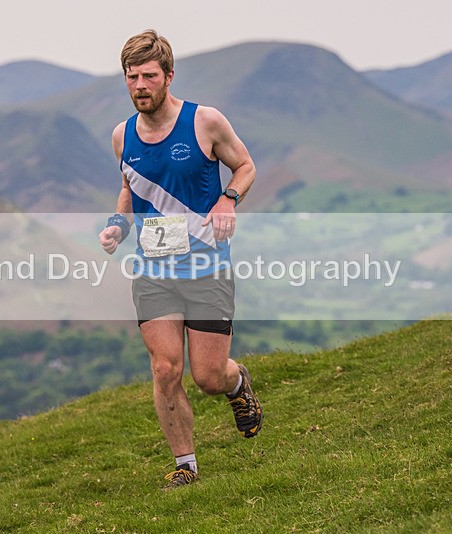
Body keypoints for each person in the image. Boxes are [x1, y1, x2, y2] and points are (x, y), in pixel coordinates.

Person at [98, 29, 262, 490]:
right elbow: (130, 188)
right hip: (154, 271)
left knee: (207, 376)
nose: (140, 86)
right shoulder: (122, 136)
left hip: (207, 269)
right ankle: (185, 466)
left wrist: (228, 199)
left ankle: (236, 383)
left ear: (169, 76)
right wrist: (118, 225)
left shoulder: (204, 122)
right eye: (132, 77)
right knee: (165, 368)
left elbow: (245, 166)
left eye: (149, 76)